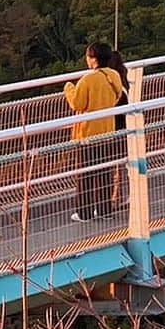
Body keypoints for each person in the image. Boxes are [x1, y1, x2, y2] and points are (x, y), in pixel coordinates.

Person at [64, 43, 124, 222]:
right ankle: (105, 210)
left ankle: (84, 213)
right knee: (104, 172)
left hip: (88, 134)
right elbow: (117, 96)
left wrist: (68, 88)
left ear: (93, 59)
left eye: (88, 56)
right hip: (107, 131)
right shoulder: (114, 75)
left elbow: (77, 103)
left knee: (85, 174)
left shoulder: (87, 80)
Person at [108, 49, 131, 210]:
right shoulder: (125, 82)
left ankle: (114, 197)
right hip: (125, 127)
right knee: (120, 164)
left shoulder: (113, 86)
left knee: (111, 165)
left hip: (113, 128)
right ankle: (120, 196)